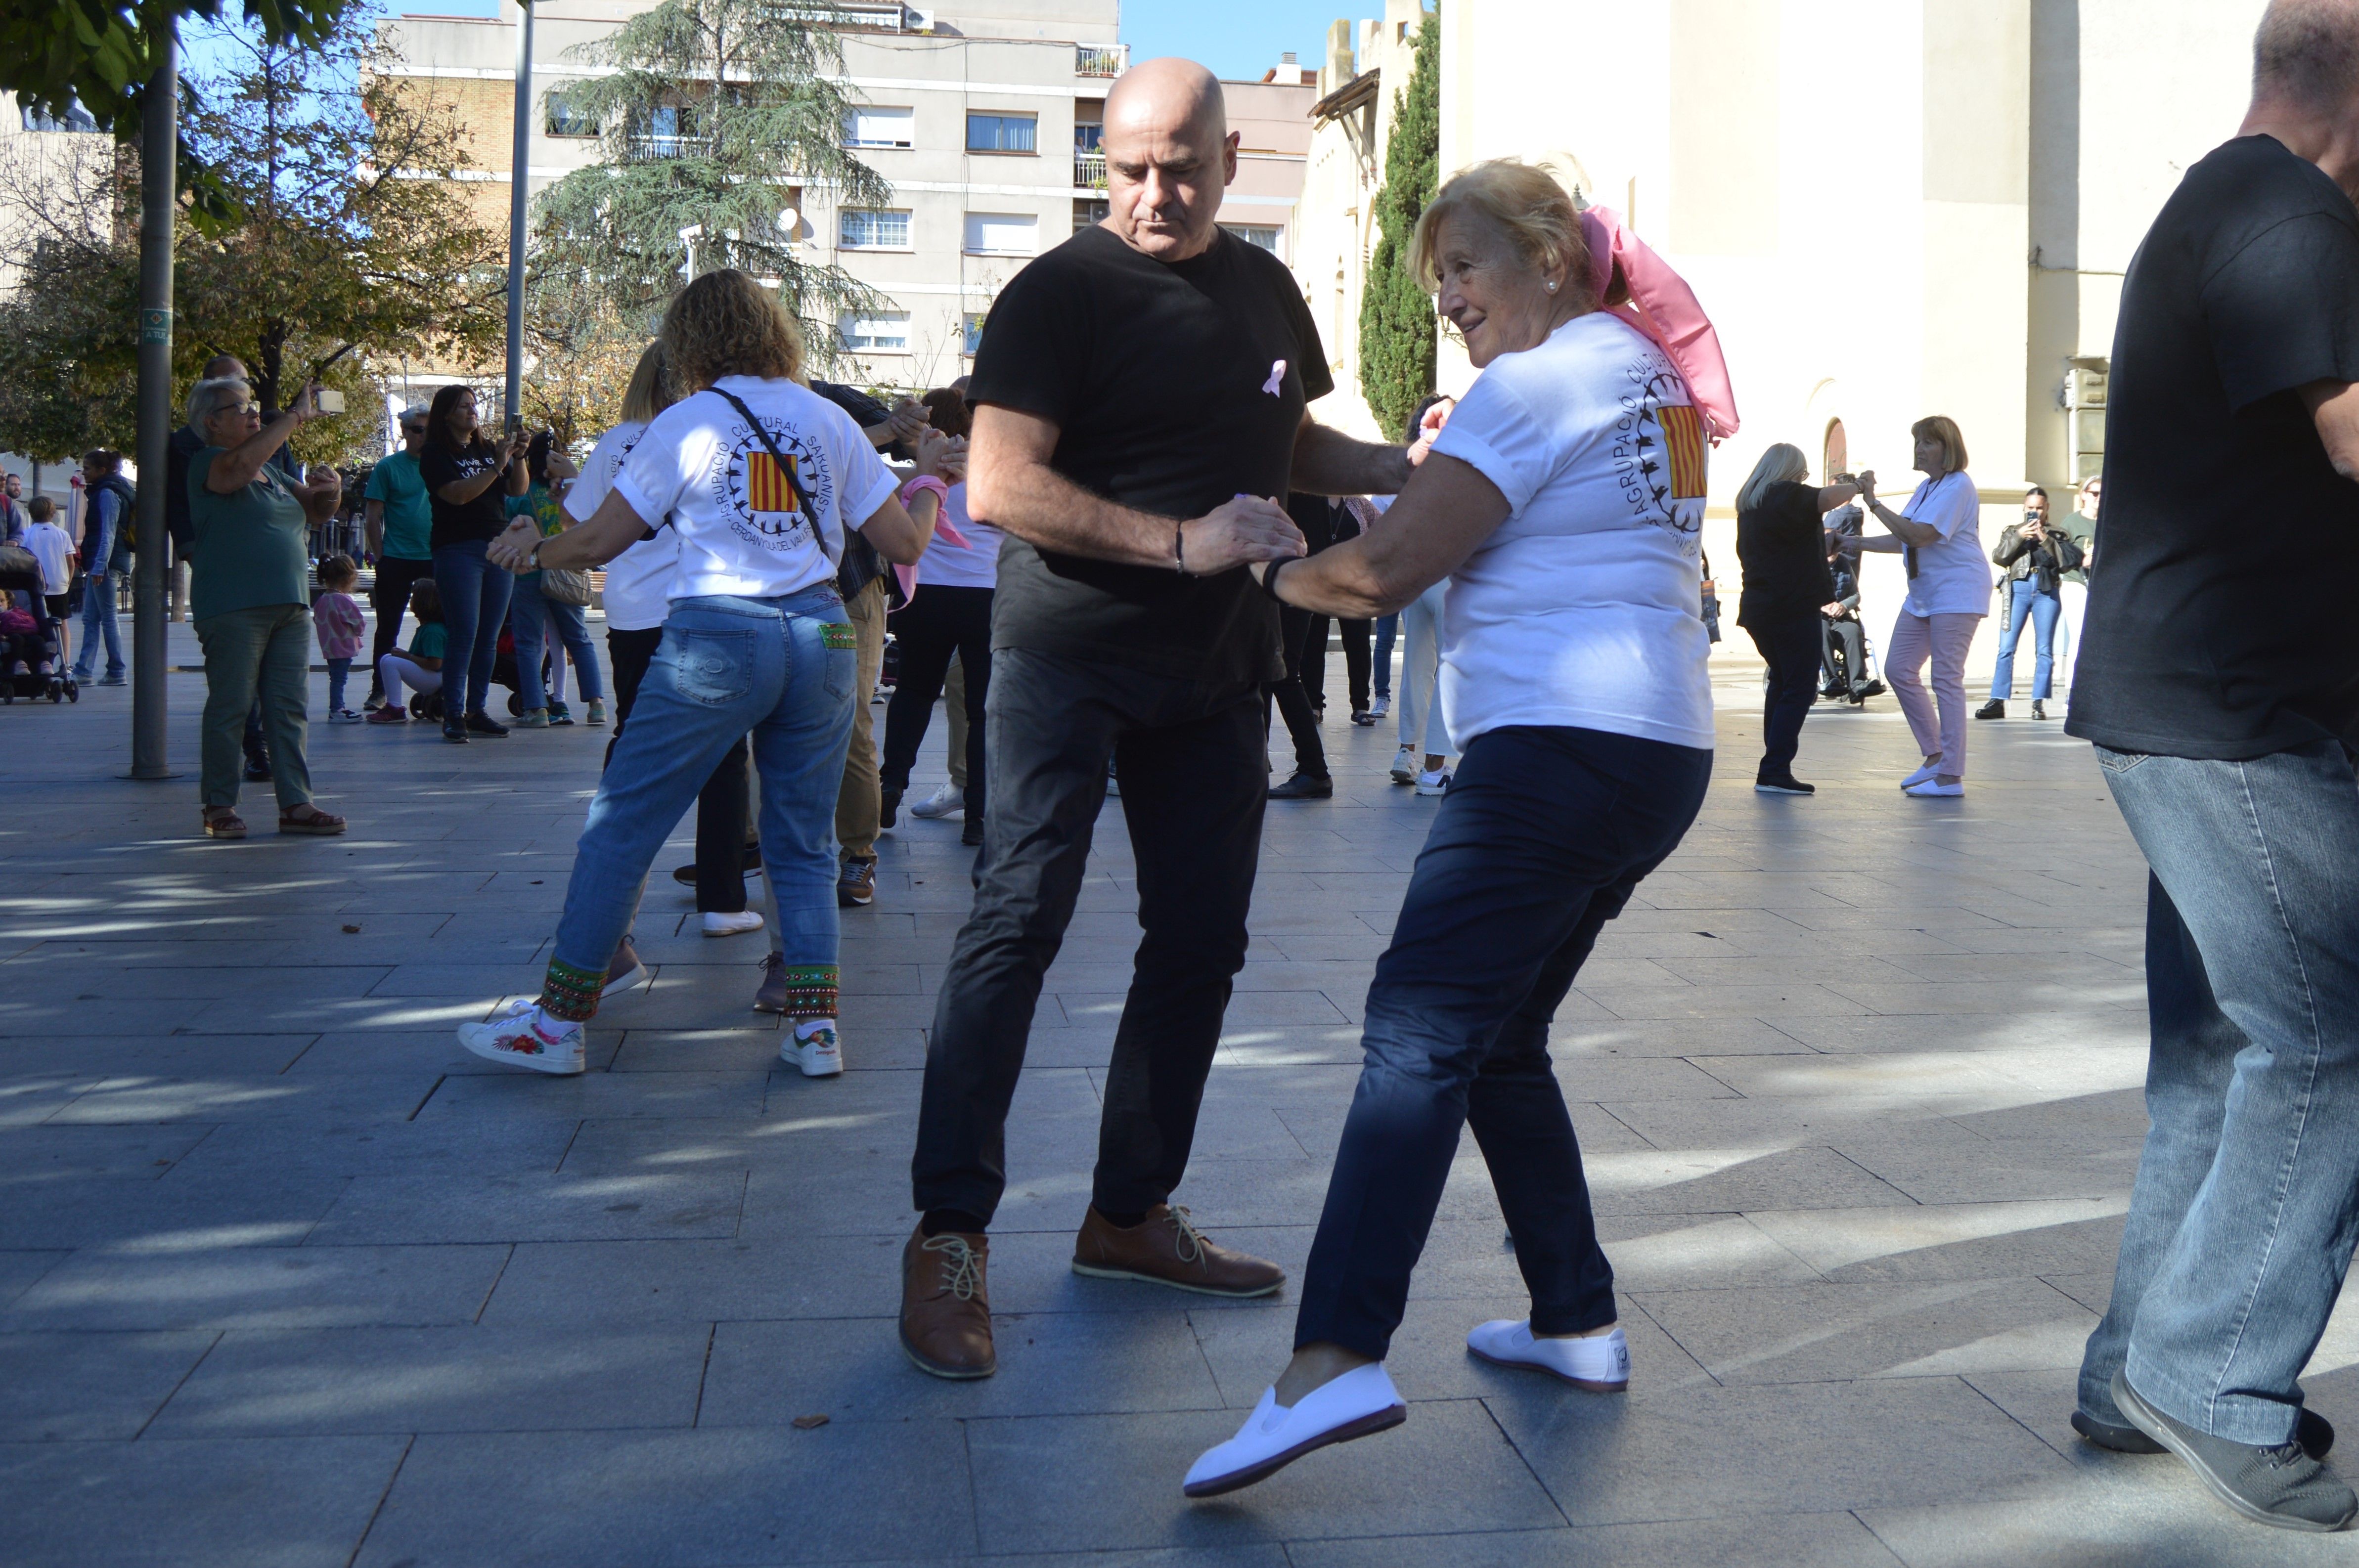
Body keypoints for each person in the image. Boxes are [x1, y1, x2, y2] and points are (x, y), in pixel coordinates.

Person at [1182, 161, 1727, 1496]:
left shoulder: (1543, 385)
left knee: (1418, 1030)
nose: (1451, 305)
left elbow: (1379, 570)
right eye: (1438, 286)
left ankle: (1337, 1353)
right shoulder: (1643, 372)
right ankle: (1574, 1317)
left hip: (1557, 748)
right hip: (1652, 751)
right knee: (1499, 1041)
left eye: (1466, 271)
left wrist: (1259, 564)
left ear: (1549, 254)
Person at [898, 56, 1417, 1385]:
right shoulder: (1058, 291)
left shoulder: (1262, 289)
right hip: (1068, 656)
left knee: (1199, 942)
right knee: (1017, 919)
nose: (1152, 194)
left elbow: (1278, 442)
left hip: (1218, 674)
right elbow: (1005, 485)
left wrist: (1400, 465)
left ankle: (1127, 1212)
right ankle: (947, 1233)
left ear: (1230, 161)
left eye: (1180, 169)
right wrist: (1181, 541)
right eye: (1128, 169)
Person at [2062, 0, 2359, 1533]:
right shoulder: (2286, 216)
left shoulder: (2229, 200)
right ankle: (2214, 1371)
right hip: (2237, 721)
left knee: (2224, 1059)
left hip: (2203, 706)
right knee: (2336, 1037)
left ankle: (2134, 1374)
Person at [457, 268, 947, 1076]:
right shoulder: (828, 420)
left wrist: (530, 550)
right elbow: (904, 545)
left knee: (623, 823)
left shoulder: (687, 422)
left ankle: (556, 1023)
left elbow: (600, 541)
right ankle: (815, 1029)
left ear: (690, 340)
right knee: (801, 842)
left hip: (720, 635)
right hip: (821, 634)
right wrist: (932, 481)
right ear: (772, 331)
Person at [183, 375, 347, 840]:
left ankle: (296, 803)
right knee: (232, 706)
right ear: (212, 422)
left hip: (291, 604)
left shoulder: (272, 471)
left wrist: (330, 488)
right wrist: (295, 416)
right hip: (234, 605)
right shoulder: (208, 463)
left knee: (290, 708)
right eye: (241, 408)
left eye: (252, 405)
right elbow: (234, 472)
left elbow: (318, 511)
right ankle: (219, 805)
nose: (254, 412)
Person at [879, 387, 995, 848]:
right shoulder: (996, 475)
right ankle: (979, 817)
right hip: (987, 598)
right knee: (984, 711)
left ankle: (891, 785)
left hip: (924, 596)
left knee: (912, 693)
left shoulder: (916, 475)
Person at [1853, 417, 1983, 797]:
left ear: (1949, 449)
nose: (1920, 449)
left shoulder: (1958, 486)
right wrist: (1851, 543)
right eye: (1917, 443)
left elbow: (1919, 536)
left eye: (1928, 442)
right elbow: (1903, 539)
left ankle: (1950, 776)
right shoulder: (1927, 487)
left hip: (1956, 593)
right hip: (1925, 596)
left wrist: (1873, 503)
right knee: (1898, 669)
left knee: (1945, 679)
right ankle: (1934, 756)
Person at [1732, 443, 1861, 794]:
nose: (1804, 481)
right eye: (1802, 474)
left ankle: (1774, 767)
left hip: (1760, 607)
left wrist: (1823, 545)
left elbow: (1785, 545)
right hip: (1790, 607)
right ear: (1791, 472)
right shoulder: (1784, 493)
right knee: (1801, 687)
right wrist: (1860, 485)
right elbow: (1826, 498)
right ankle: (1774, 769)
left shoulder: (1752, 503)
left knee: (1782, 681)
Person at [420, 384, 530, 743]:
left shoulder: (486, 449)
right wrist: (498, 464)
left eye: (474, 405)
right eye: (464, 406)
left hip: (497, 545)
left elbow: (517, 491)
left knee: (489, 636)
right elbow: (458, 495)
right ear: (447, 413)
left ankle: (476, 710)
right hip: (458, 548)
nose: (472, 411)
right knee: (464, 632)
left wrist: (519, 457)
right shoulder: (435, 453)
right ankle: (453, 711)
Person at [504, 433, 606, 729]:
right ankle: (596, 705)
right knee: (579, 639)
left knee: (529, 643)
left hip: (529, 570)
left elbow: (509, 517)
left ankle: (537, 709)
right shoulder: (572, 489)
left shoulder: (522, 490)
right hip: (567, 570)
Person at [1384, 395, 1457, 793]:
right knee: (1449, 669)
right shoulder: (1457, 463)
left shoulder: (1408, 463)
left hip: (1415, 576)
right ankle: (1434, 769)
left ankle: (1405, 752)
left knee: (1414, 665)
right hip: (1449, 576)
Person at [1977, 485, 2081, 721]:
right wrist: (2018, 537)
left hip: (2047, 590)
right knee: (2006, 647)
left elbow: (2064, 563)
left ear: (2047, 509)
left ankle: (2038, 702)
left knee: (2044, 650)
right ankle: (1997, 700)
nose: (2035, 513)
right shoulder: (2012, 531)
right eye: (2031, 508)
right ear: (2024, 508)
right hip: (2019, 587)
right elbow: (1999, 557)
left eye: (2039, 508)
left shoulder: (2057, 534)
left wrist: (2045, 539)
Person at [1265, 492, 1338, 800]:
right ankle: (1308, 769)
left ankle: (1314, 770)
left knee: (1279, 673)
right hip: (1291, 581)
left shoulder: (1294, 475)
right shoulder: (1300, 477)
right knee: (1271, 673)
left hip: (1287, 582)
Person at [362, 407, 435, 710]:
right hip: (396, 557)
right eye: (417, 430)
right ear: (404, 431)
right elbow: (372, 516)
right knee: (388, 626)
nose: (424, 436)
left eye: (429, 431)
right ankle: (380, 691)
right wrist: (381, 558)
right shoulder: (388, 467)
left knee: (440, 625)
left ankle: (441, 686)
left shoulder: (441, 466)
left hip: (435, 557)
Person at [70, 448, 132, 686]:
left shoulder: (107, 494)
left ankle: (116, 670)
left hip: (105, 563)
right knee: (91, 618)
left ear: (102, 471)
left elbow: (108, 533)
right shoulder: (106, 491)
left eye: (87, 469)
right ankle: (84, 670)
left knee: (107, 617)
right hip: (104, 561)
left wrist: (99, 566)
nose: (84, 473)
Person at [369, 577, 446, 723]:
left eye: (413, 598)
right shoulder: (430, 628)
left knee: (390, 662)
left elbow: (435, 664)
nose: (410, 601)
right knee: (387, 658)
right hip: (435, 677)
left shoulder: (433, 631)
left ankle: (395, 709)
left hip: (436, 678)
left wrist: (407, 656)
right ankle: (393, 706)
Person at [2055, 474, 2101, 692]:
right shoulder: (2072, 522)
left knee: (2099, 637)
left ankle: (2095, 688)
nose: (2099, 498)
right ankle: (2074, 690)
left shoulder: (2108, 522)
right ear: (2084, 495)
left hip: (2102, 586)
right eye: (2095, 493)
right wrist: (2082, 559)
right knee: (2079, 634)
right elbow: (2060, 553)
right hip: (2076, 583)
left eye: (2104, 493)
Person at [312, 552, 366, 722]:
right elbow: (359, 624)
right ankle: (337, 709)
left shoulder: (322, 600)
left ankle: (338, 707)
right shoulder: (343, 600)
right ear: (347, 579)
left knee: (336, 677)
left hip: (329, 647)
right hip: (343, 647)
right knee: (339, 679)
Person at [21, 499, 74, 642]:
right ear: (53, 513)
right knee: (63, 623)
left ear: (31, 513)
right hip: (59, 584)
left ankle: (41, 656)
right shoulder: (63, 534)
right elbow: (71, 563)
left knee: (34, 621)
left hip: (35, 585)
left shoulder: (26, 535)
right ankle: (66, 661)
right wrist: (67, 583)